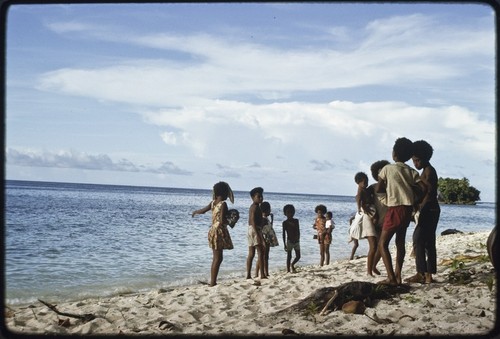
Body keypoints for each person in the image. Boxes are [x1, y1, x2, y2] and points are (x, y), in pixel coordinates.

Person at [376, 137, 426, 285]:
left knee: (382, 243)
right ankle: (398, 275)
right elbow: (423, 188)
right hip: (407, 209)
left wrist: (385, 200)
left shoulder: (387, 169)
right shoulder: (410, 171)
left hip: (395, 208)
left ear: (394, 154)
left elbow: (379, 189)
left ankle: (391, 277)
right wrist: (414, 200)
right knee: (400, 242)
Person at [405, 140, 441, 284]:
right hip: (430, 209)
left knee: (419, 239)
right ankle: (428, 274)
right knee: (427, 241)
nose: (415, 163)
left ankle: (422, 273)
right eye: (414, 160)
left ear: (425, 158)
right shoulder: (425, 171)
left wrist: (419, 207)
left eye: (417, 160)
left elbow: (430, 192)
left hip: (429, 208)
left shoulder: (429, 171)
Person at [191, 181, 235, 287]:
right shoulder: (223, 204)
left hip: (212, 230)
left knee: (216, 257)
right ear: (224, 193)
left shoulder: (213, 203)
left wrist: (195, 212)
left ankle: (213, 281)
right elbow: (222, 220)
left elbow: (203, 211)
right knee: (218, 258)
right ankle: (213, 282)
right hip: (219, 230)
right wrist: (231, 221)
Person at [354, 172, 379, 276]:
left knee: (377, 245)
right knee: (373, 246)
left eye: (366, 181)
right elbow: (360, 204)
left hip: (371, 214)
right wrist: (364, 209)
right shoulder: (360, 191)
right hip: (368, 216)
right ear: (358, 182)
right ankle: (369, 271)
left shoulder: (366, 190)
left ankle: (372, 267)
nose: (366, 183)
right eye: (363, 182)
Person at [368, 160, 391, 275]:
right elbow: (365, 202)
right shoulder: (372, 188)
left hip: (388, 219)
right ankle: (372, 267)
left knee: (382, 245)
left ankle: (373, 266)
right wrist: (373, 215)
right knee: (376, 246)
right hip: (376, 219)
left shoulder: (391, 186)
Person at [246, 187, 266, 280]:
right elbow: (253, 221)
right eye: (259, 196)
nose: (261, 198)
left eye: (261, 196)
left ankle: (248, 275)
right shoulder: (254, 207)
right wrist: (259, 235)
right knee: (260, 252)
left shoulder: (255, 206)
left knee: (251, 253)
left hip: (251, 229)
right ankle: (262, 274)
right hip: (254, 229)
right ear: (253, 197)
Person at [255, 201, 279, 278]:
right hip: (265, 239)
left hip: (267, 238)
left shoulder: (266, 219)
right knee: (265, 257)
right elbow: (262, 230)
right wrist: (263, 240)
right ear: (265, 210)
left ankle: (257, 273)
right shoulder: (263, 219)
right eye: (269, 210)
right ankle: (266, 272)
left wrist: (272, 219)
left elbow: (269, 227)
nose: (270, 211)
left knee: (261, 256)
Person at [282, 204, 301, 273]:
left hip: (296, 241)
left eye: (291, 212)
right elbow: (283, 234)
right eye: (288, 212)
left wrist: (298, 238)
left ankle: (292, 264)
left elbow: (298, 230)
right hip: (289, 241)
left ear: (294, 212)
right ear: (285, 213)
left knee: (298, 256)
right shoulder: (285, 223)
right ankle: (288, 270)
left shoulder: (296, 221)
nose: (290, 214)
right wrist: (284, 244)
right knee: (289, 256)